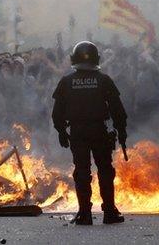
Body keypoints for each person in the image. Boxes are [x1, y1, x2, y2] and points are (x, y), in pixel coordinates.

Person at [52, 41, 127, 225]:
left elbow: (57, 113)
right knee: (105, 171)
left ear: (73, 59)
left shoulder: (66, 82)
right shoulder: (104, 80)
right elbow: (118, 110)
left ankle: (84, 213)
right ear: (97, 59)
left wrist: (61, 131)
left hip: (78, 132)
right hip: (99, 131)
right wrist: (121, 131)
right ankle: (109, 212)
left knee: (82, 171)